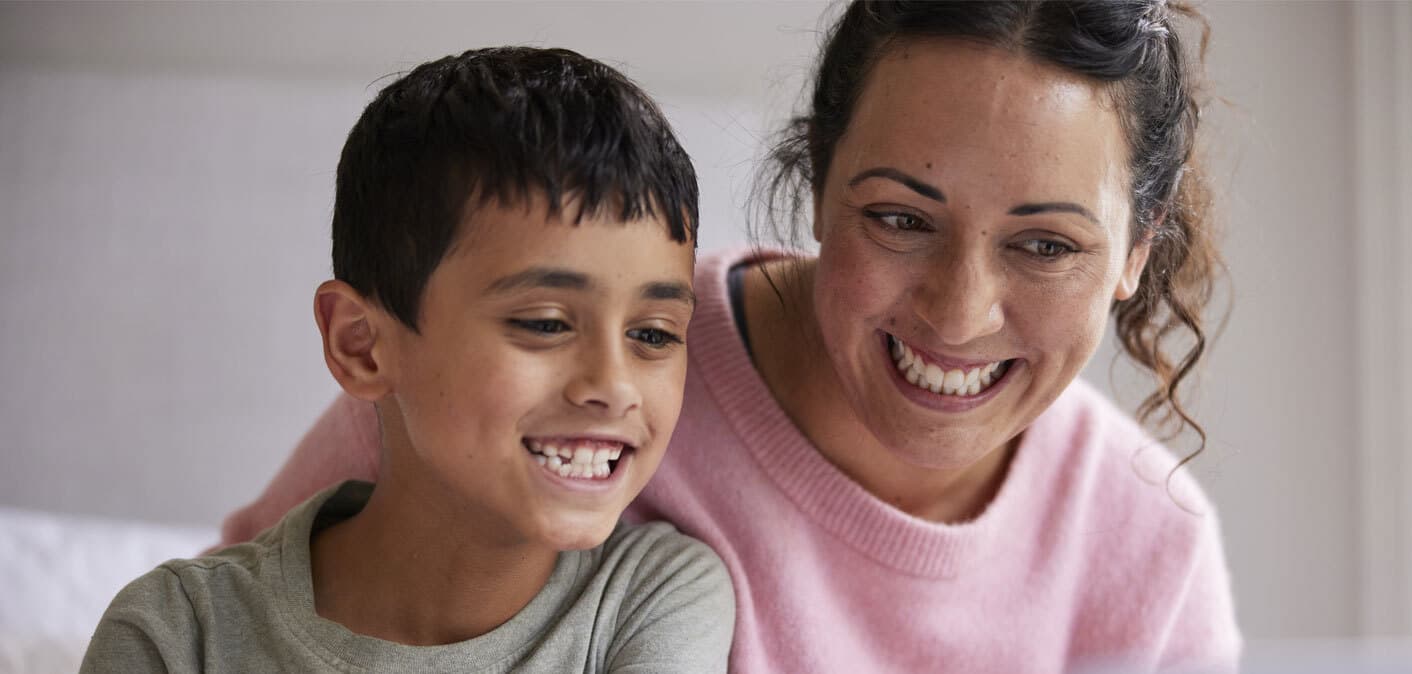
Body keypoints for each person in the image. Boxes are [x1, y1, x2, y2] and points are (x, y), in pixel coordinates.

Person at [221, 2, 1242, 671]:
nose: (957, 311)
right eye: (898, 217)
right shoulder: (552, 363)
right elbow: (239, 621)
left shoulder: (1149, 550)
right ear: (817, 185)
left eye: (1046, 243)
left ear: (1133, 252)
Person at [82, 46, 734, 672]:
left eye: (652, 333)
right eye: (545, 323)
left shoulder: (653, 596)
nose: (613, 386)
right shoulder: (175, 633)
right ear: (360, 346)